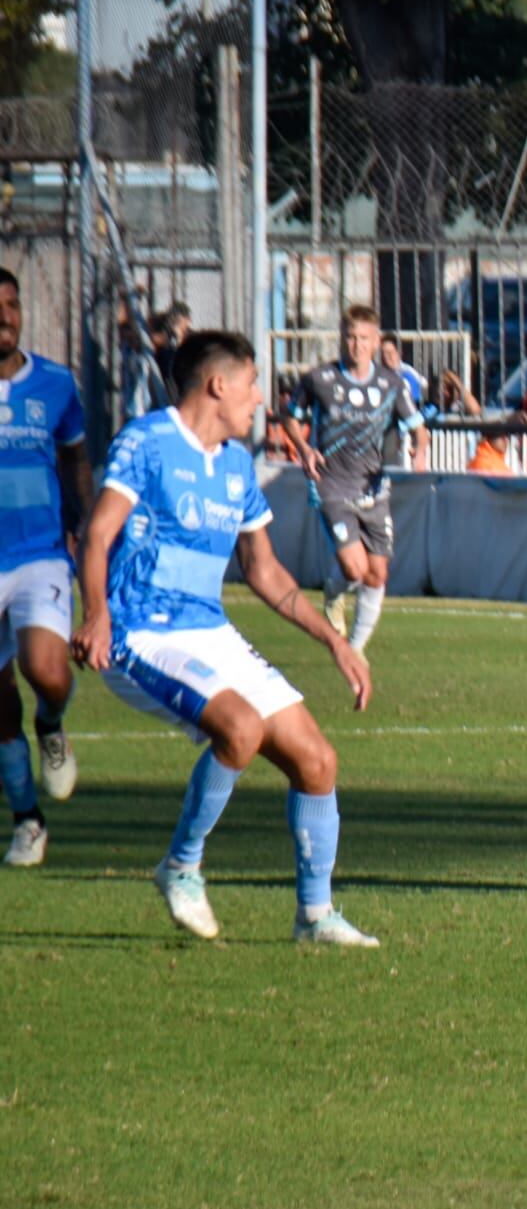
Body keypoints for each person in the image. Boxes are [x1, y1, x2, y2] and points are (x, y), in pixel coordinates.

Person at [71, 330, 378, 946]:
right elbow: (97, 533)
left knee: (317, 761)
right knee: (239, 728)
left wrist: (335, 641)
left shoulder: (237, 465)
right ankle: (181, 867)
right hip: (142, 633)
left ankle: (314, 918)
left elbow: (264, 571)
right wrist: (97, 614)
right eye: (253, 384)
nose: (260, 399)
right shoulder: (149, 442)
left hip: (209, 632)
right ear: (218, 385)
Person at [0, 268, 94, 867]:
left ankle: (53, 723)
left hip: (40, 554)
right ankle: (27, 821)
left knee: (46, 671)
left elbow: (76, 458)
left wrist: (85, 527)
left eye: (11, 304)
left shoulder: (56, 383)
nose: (4, 316)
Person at [279, 305, 429, 655]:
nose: (356, 345)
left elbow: (420, 430)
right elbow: (290, 418)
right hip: (331, 483)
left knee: (377, 574)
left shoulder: (391, 384)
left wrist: (420, 451)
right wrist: (303, 447)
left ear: (376, 341)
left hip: (373, 487)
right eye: (350, 337)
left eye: (364, 338)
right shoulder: (320, 379)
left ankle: (355, 649)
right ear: (341, 338)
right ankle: (337, 589)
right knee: (355, 567)